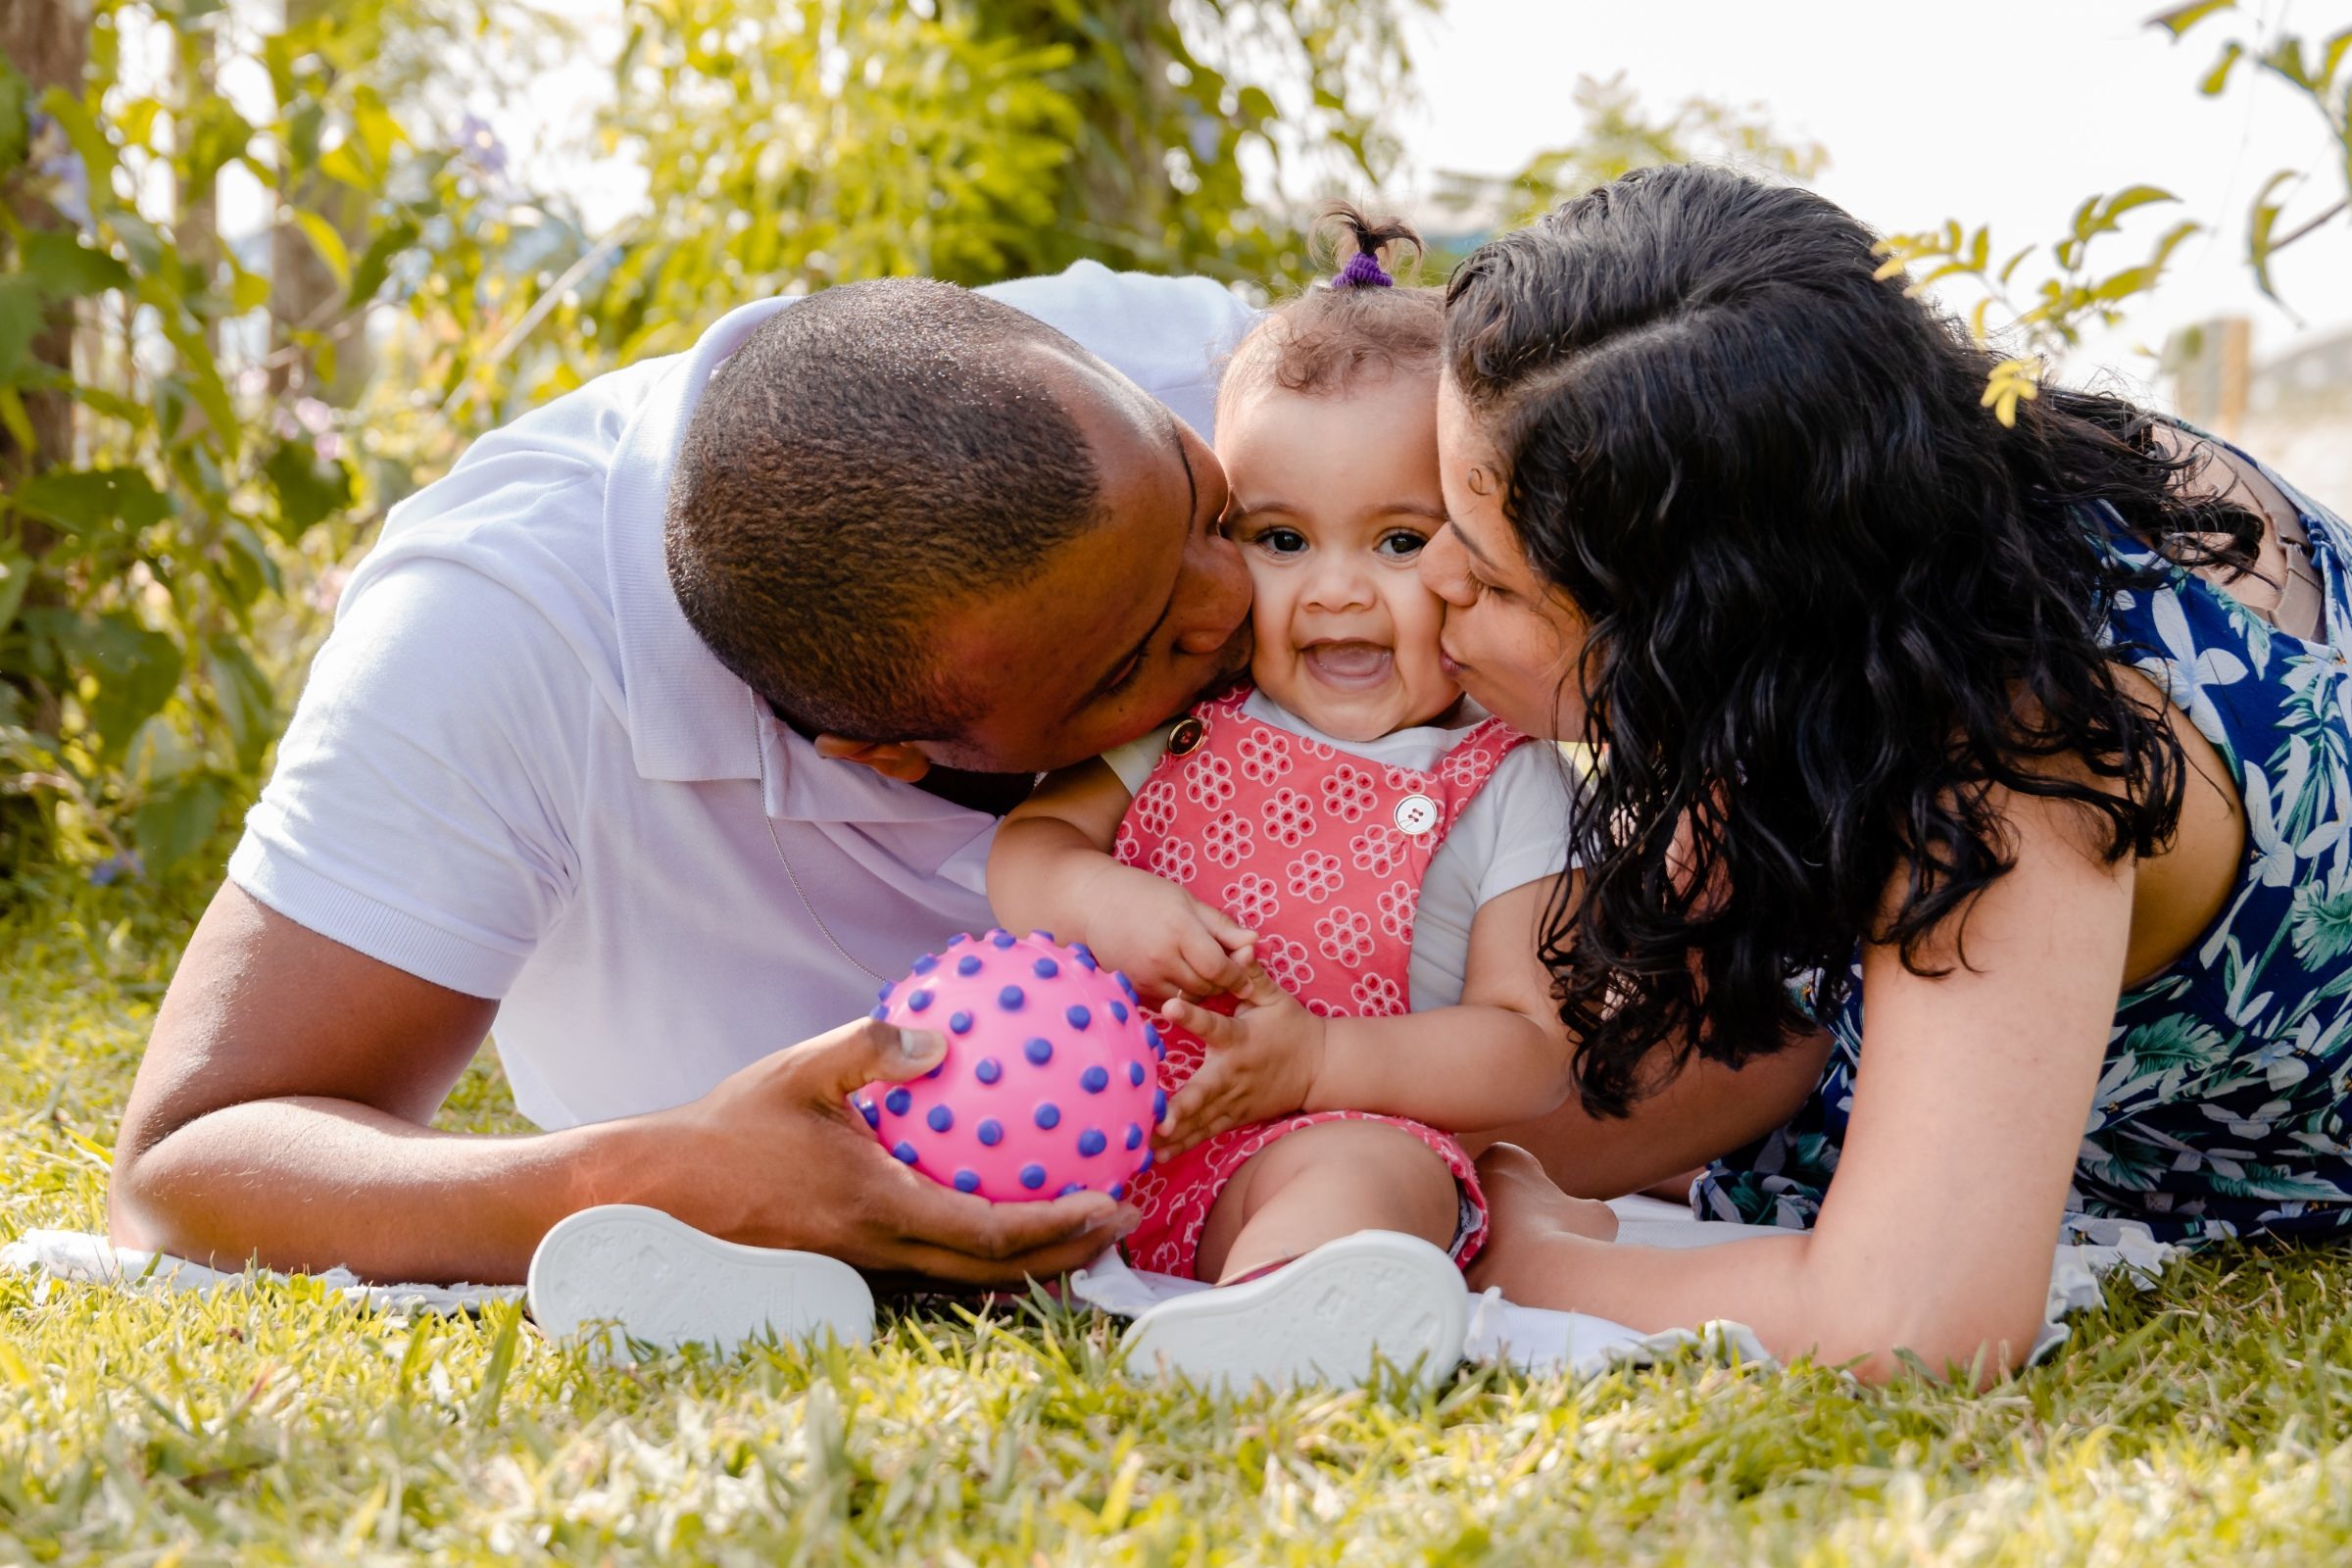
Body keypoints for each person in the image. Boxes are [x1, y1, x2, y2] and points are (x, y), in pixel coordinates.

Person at [106, 264, 1266, 1299]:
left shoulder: (1225, 372)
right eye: (1138, 655)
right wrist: (657, 1178)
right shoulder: (495, 644)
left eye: (1212, 505)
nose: (1241, 599)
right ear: (883, 751)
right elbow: (186, 1167)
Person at [1415, 163, 2352, 1383]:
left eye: (1487, 580)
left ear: (1706, 643)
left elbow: (1911, 1319)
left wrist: (1535, 1256)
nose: (1426, 578)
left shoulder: (2022, 764)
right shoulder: (1923, 479)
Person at [988, 211, 1607, 1388]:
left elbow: (1531, 1052)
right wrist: (1096, 893)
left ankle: (1272, 1309)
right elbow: (1029, 847)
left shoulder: (1508, 779)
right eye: (1280, 538)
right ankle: (761, 1251)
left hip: (1304, 1144)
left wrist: (1319, 1063)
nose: (1334, 591)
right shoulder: (1186, 719)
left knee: (1379, 1179)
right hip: (1081, 1113)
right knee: (925, 1073)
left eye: (1396, 539)